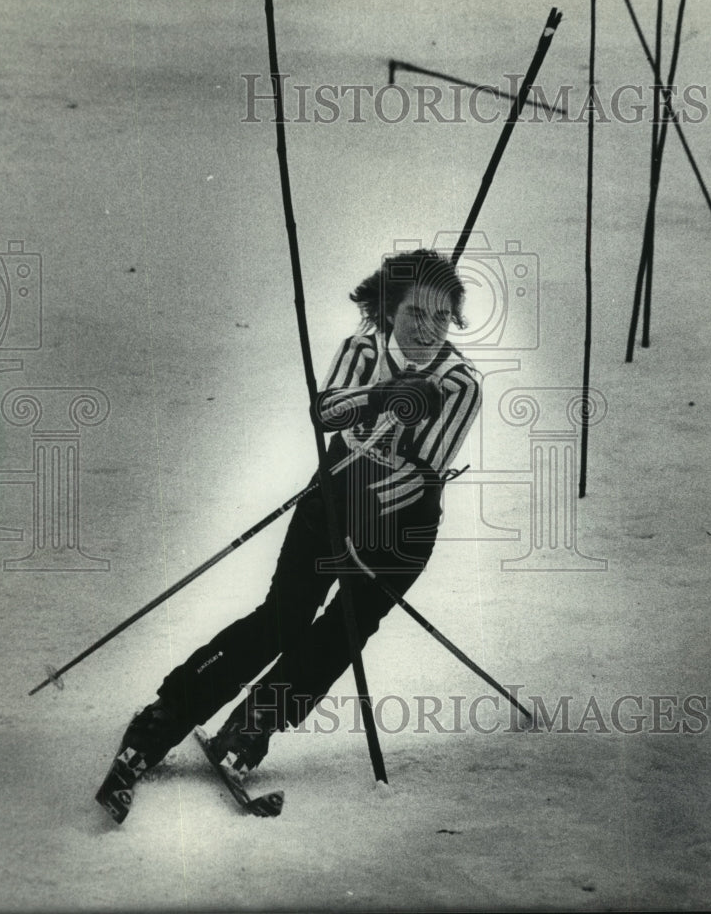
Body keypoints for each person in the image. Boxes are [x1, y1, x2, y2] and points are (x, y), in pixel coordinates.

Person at [97, 248, 481, 822]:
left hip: (402, 527)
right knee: (283, 616)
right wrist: (384, 397)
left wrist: (368, 504)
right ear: (387, 309)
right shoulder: (363, 351)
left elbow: (420, 472)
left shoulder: (461, 383)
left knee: (342, 631)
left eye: (442, 316)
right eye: (415, 313)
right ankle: (163, 718)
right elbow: (327, 413)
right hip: (334, 498)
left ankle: (253, 727)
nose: (428, 330)